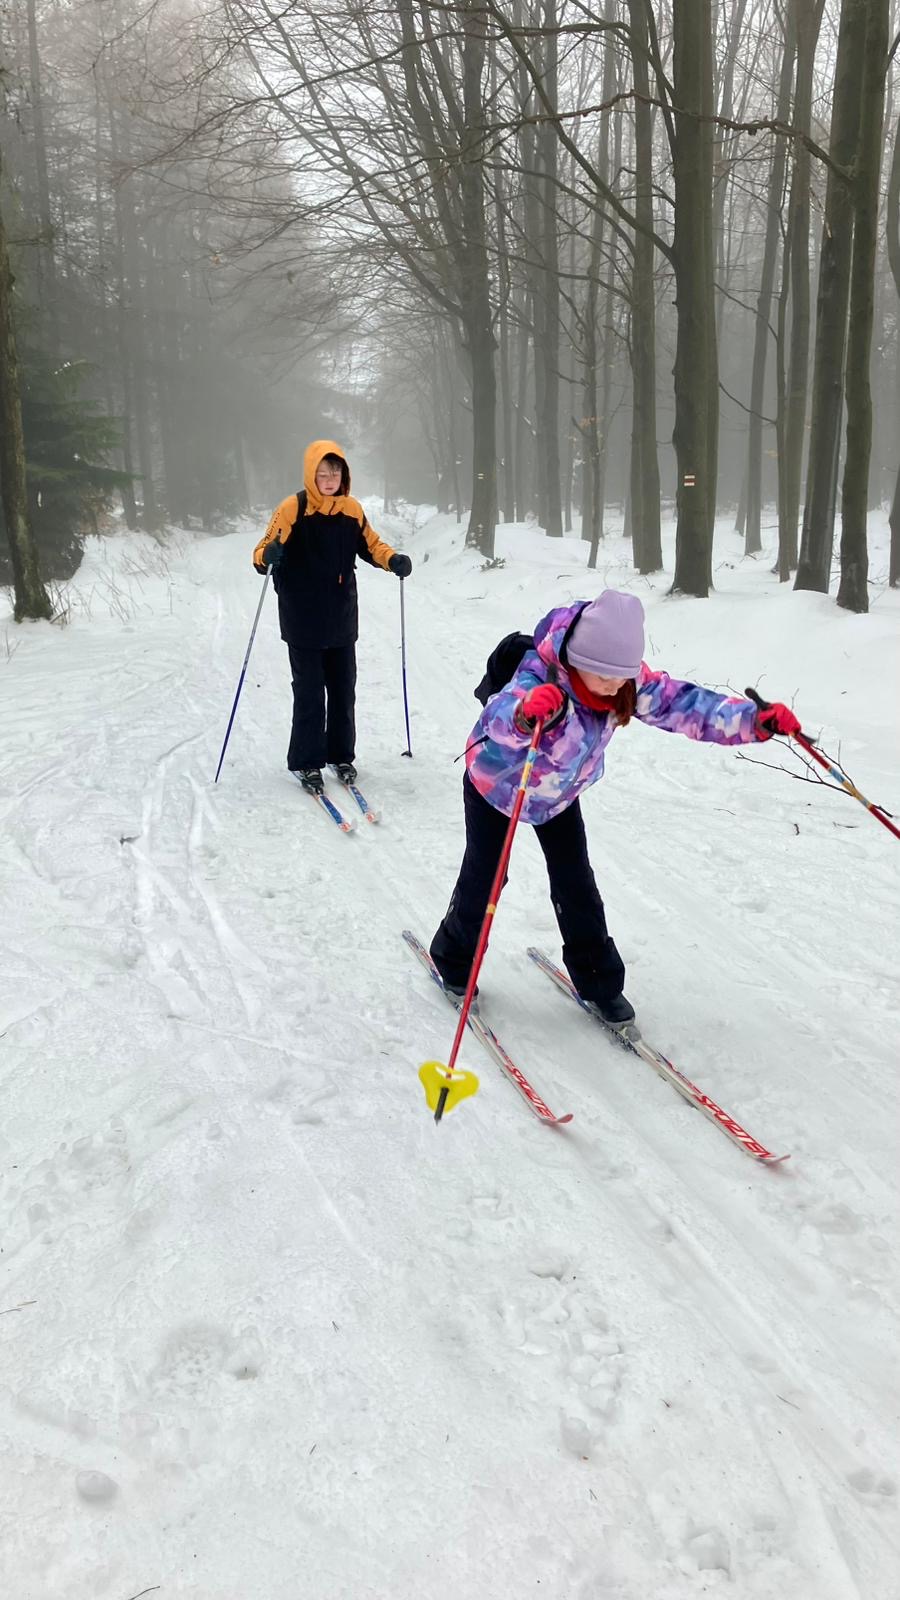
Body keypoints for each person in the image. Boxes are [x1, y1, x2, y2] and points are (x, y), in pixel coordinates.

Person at [430, 590, 800, 1025]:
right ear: (576, 659)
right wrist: (525, 714)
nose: (613, 685)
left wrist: (752, 722)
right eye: (602, 675)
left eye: (621, 676)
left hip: (556, 796)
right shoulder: (541, 674)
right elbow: (499, 715)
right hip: (499, 785)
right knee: (486, 878)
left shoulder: (625, 682)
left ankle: (599, 983)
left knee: (577, 885)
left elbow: (686, 706)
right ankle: (453, 962)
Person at [253, 440, 412, 792]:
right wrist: (270, 555)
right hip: (302, 617)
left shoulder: (352, 510)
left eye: (335, 473)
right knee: (309, 693)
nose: (328, 479)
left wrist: (393, 560)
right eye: (322, 474)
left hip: (341, 617)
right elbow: (260, 552)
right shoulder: (292, 508)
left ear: (344, 475)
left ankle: (342, 756)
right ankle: (307, 762)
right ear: (312, 474)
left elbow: (372, 545)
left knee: (343, 691)